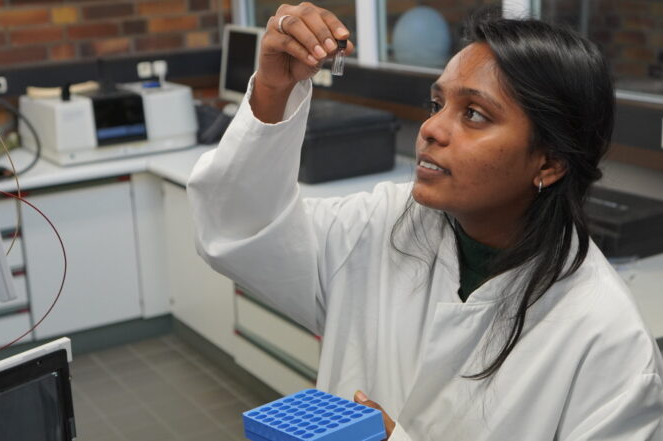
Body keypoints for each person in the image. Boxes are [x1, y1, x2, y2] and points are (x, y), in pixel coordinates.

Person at [187, 3, 663, 440]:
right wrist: (273, 89)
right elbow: (242, 232)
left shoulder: (604, 339)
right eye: (438, 105)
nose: (431, 128)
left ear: (549, 162)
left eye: (474, 114)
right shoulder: (382, 224)